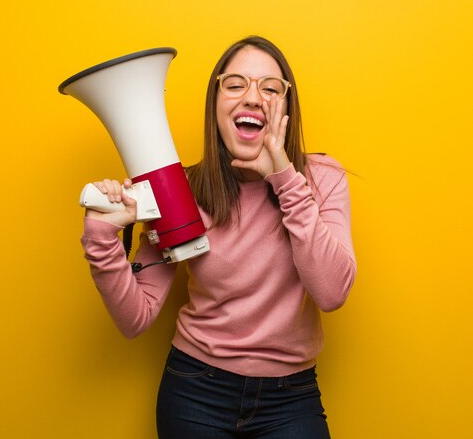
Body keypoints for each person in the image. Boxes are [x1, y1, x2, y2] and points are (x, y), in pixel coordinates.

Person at [81, 36, 356, 439]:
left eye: (269, 88)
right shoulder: (182, 192)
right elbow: (135, 318)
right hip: (196, 391)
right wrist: (102, 240)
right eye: (235, 84)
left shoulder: (323, 180)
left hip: (290, 398)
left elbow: (332, 292)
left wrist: (283, 178)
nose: (252, 97)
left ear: (286, 109)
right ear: (216, 104)